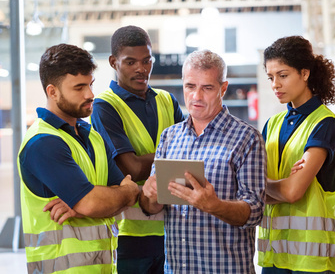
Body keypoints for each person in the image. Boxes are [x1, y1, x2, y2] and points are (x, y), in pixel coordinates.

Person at [140, 49, 266, 273]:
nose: (196, 96)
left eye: (207, 88)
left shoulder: (247, 138)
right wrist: (149, 196)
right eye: (190, 86)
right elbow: (153, 208)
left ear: (223, 89)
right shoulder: (170, 137)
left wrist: (215, 206)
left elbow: (255, 211)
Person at [18, 44, 140, 274]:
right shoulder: (43, 142)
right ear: (52, 91)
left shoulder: (92, 137)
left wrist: (86, 205)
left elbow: (130, 193)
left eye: (91, 85)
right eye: (79, 87)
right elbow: (97, 201)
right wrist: (94, 201)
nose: (90, 94)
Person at [91, 25, 185, 274]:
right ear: (114, 62)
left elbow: (190, 156)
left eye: (146, 61)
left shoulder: (167, 100)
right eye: (130, 62)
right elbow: (130, 168)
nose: (141, 69)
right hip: (129, 236)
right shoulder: (105, 107)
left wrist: (169, 161)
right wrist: (173, 159)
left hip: (172, 230)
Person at [258, 36, 335, 274]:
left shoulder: (324, 123)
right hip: (274, 255)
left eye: (283, 75)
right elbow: (253, 188)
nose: (275, 84)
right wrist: (276, 186)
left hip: (311, 261)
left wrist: (264, 186)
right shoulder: (272, 125)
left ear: (304, 73)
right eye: (271, 77)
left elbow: (292, 191)